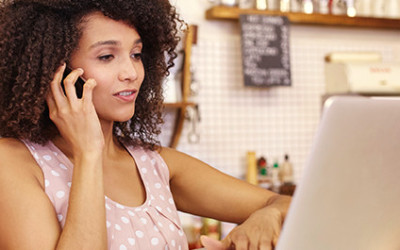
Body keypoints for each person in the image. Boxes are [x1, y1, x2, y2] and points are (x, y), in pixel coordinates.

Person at [0, 0, 291, 249]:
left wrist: (268, 217)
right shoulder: (12, 164)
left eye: (136, 54)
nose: (131, 72)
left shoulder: (154, 164)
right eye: (106, 56)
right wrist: (89, 153)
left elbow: (287, 206)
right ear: (53, 68)